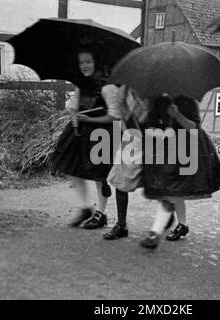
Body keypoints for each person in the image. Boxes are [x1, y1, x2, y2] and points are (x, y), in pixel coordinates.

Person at [139, 95, 220, 249]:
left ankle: (155, 232)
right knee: (174, 191)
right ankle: (182, 224)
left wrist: (177, 115)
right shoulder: (157, 99)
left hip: (186, 150)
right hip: (164, 149)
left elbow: (193, 128)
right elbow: (149, 124)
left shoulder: (187, 100)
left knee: (171, 192)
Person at [51, 49, 120, 229]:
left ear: (96, 62)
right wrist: (74, 116)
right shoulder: (80, 84)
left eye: (88, 61)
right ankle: (85, 207)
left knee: (99, 175)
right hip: (81, 130)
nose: (85, 66)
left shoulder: (108, 87)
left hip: (102, 133)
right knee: (69, 166)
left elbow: (115, 116)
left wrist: (90, 119)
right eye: (81, 62)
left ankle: (101, 213)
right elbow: (74, 107)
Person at [103, 86, 175, 240]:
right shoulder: (124, 92)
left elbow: (167, 123)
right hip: (132, 139)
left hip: (155, 141)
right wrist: (128, 132)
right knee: (121, 180)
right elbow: (120, 118)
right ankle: (121, 225)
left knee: (156, 183)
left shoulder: (161, 96)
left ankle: (166, 214)